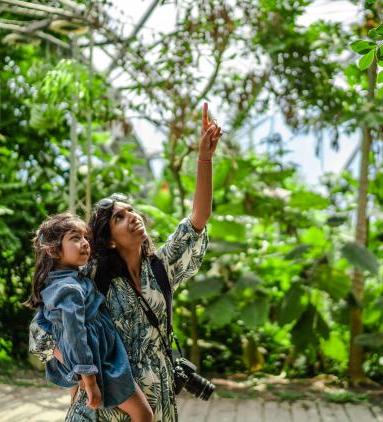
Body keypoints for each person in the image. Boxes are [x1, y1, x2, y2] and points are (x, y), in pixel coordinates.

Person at [29, 103, 222, 421]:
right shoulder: (91, 276)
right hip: (110, 399)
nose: (132, 217)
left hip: (156, 397)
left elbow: (198, 220)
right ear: (108, 238)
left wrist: (204, 159)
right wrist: (85, 371)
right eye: (120, 216)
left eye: (132, 210)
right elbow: (43, 331)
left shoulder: (161, 266)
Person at [24, 213, 154, 422]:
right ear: (53, 250)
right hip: (99, 363)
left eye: (85, 237)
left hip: (88, 360)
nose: (84, 243)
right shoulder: (69, 289)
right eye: (75, 238)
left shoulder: (64, 278)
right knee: (144, 414)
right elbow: (75, 334)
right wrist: (90, 380)